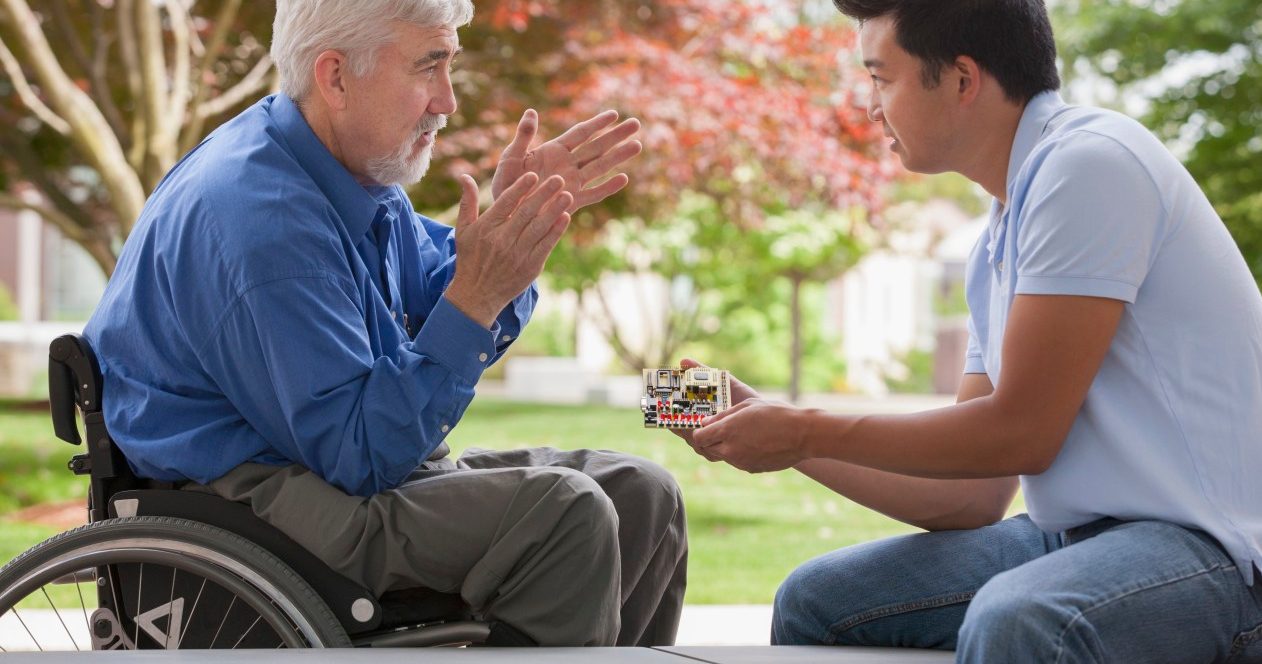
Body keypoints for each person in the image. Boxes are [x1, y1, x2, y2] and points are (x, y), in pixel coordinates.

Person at [83, 0, 687, 647]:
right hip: (245, 494)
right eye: (428, 69)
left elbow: (442, 299)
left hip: (322, 464)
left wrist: (513, 230)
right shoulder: (266, 221)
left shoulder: (347, 176)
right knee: (565, 515)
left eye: (449, 66)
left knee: (642, 494)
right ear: (335, 76)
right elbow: (362, 454)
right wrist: (476, 299)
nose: (447, 102)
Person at [680, 0, 1262, 660]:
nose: (871, 107)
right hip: (1079, 538)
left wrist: (806, 427)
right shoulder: (1004, 230)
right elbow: (971, 489)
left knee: (1024, 620)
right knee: (819, 600)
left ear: (961, 78)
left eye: (880, 77)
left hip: (1218, 552)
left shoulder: (1090, 166)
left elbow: (1022, 433)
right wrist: (772, 428)